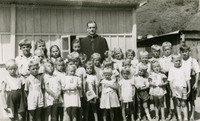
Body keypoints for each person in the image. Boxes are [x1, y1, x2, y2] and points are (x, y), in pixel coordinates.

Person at [180, 44, 200, 121]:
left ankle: (192, 115)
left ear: (189, 52)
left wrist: (195, 83)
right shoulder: (180, 61)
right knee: (185, 100)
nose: (184, 53)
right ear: (180, 52)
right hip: (183, 82)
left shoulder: (193, 60)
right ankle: (186, 115)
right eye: (182, 52)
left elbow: (197, 72)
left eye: (186, 51)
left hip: (191, 81)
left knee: (192, 100)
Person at [168, 54, 191, 121]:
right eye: (176, 61)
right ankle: (180, 117)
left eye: (179, 61)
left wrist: (189, 89)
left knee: (184, 103)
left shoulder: (184, 69)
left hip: (183, 88)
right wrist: (173, 92)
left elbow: (187, 79)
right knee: (178, 104)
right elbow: (170, 82)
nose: (178, 62)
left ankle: (186, 118)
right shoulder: (171, 70)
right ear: (172, 61)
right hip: (176, 89)